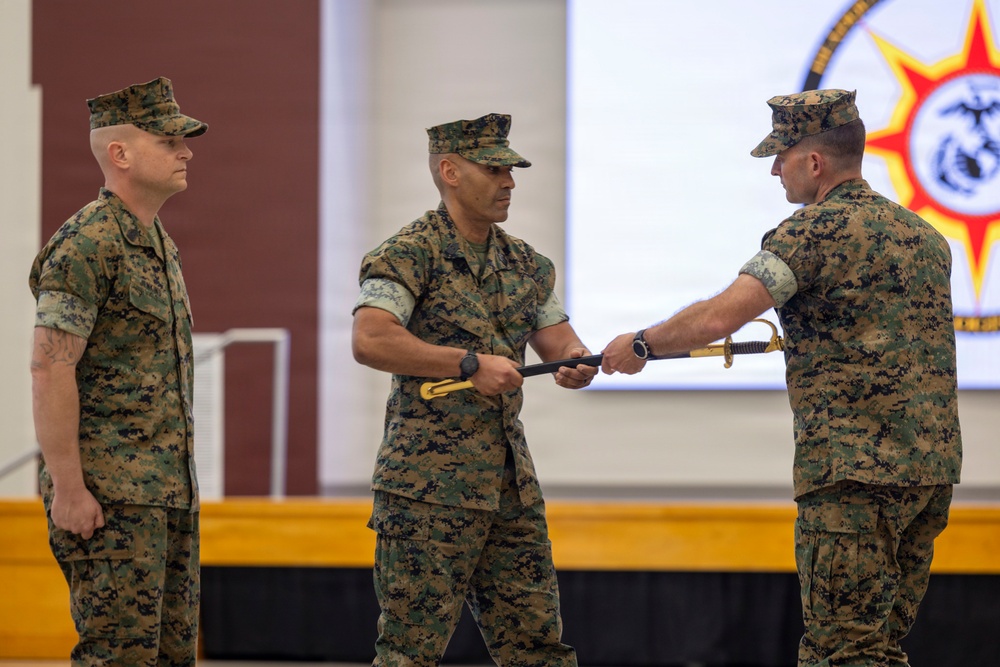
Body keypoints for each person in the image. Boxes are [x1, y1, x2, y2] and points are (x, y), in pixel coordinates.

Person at [601, 89, 962, 666]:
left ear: (814, 162)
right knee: (880, 649)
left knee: (842, 652)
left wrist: (642, 344)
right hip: (928, 474)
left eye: (780, 155)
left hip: (852, 478)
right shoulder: (926, 238)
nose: (774, 168)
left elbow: (722, 315)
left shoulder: (810, 232)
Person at [352, 112, 596, 666]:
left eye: (512, 170)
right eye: (494, 169)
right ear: (450, 171)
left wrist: (577, 363)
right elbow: (370, 339)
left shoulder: (528, 265)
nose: (509, 182)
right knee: (409, 653)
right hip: (426, 491)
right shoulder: (408, 253)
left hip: (509, 490)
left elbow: (560, 343)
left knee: (539, 650)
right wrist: (465, 364)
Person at [29, 77, 207, 666]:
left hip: (166, 495)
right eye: (169, 140)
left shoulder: (157, 242)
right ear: (121, 153)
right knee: (120, 658)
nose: (186, 152)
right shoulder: (88, 243)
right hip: (110, 497)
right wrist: (70, 488)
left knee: (170, 656)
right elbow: (51, 367)